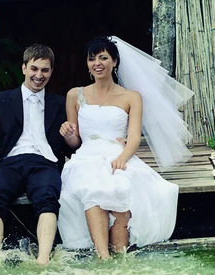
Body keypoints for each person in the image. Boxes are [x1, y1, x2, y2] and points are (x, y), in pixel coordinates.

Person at [58, 36, 194, 258]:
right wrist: (69, 134)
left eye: (103, 57)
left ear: (115, 61)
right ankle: (104, 258)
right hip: (87, 156)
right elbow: (75, 143)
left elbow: (133, 138)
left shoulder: (132, 96)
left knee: (122, 189)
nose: (97, 63)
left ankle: (120, 259)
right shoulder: (75, 94)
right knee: (92, 188)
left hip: (118, 153)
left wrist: (122, 157)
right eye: (92, 59)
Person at [0, 44, 72, 266]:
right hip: (10, 162)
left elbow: (70, 149)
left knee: (48, 196)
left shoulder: (59, 103)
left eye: (45, 70)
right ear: (23, 68)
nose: (39, 75)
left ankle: (43, 261)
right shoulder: (1, 101)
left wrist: (69, 135)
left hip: (45, 162)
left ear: (51, 72)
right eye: (34, 68)